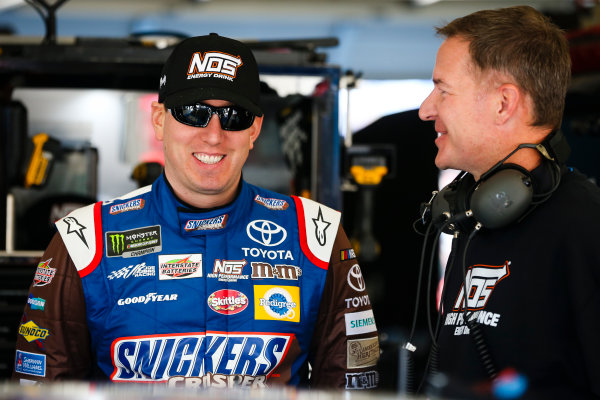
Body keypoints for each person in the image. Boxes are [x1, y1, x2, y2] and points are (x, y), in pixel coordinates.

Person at [12, 33, 379, 389]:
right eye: (194, 113)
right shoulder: (84, 239)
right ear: (159, 120)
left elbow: (352, 385)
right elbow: (41, 387)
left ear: (254, 129)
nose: (214, 135)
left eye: (233, 116)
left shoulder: (317, 235)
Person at [417, 6, 600, 399]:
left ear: (503, 103)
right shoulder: (477, 219)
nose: (426, 109)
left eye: (443, 90)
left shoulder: (585, 225)